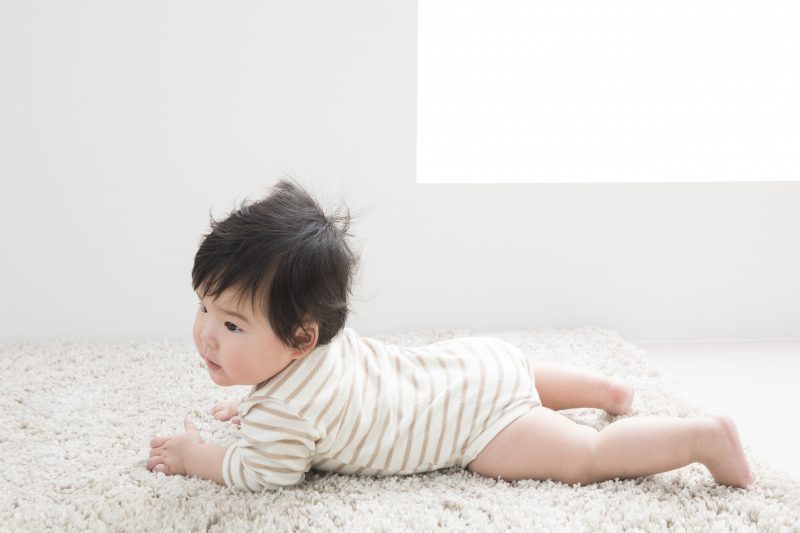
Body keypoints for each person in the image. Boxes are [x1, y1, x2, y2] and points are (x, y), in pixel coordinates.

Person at [147, 177, 754, 491]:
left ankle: (702, 439)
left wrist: (199, 457)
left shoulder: (283, 412)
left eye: (231, 324)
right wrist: (252, 405)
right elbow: (302, 403)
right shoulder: (317, 346)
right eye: (204, 308)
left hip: (477, 427)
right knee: (519, 375)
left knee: (587, 457)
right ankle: (606, 391)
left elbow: (265, 472)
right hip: (472, 363)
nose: (206, 335)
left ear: (300, 339)